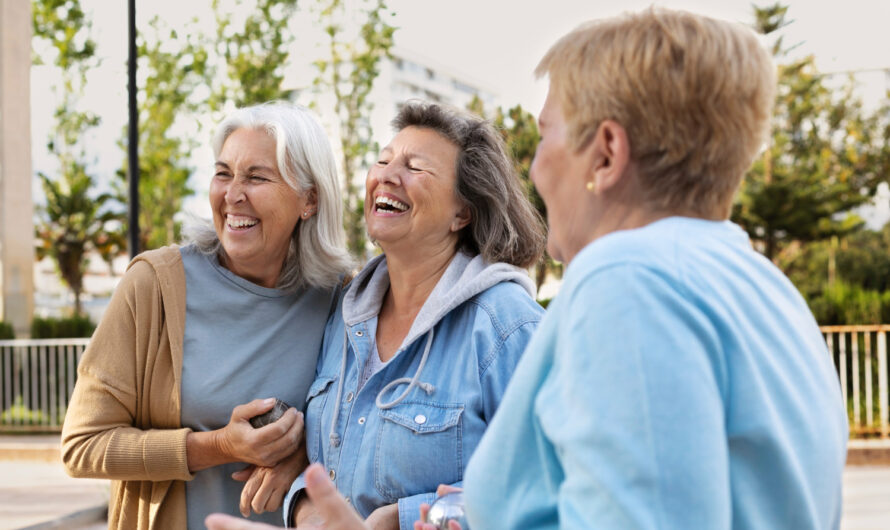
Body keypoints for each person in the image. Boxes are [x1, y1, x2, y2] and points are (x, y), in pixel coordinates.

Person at [207, 7, 849, 530]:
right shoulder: (768, 289)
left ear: (605, 155)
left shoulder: (630, 283)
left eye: (546, 136)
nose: (536, 171)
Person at [61, 102, 354, 529]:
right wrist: (218, 446)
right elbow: (81, 446)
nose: (233, 194)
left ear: (308, 199)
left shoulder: (341, 298)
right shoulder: (154, 285)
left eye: (256, 177)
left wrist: (302, 457)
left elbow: (365, 432)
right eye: (223, 173)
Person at [279, 101, 547, 529]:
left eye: (415, 168)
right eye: (383, 160)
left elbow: (550, 486)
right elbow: (319, 463)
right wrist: (306, 507)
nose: (386, 174)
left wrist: (403, 519)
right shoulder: (344, 317)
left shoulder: (508, 328)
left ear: (464, 211)